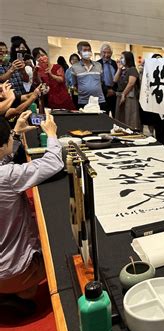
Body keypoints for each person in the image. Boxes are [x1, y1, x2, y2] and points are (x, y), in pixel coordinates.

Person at [0, 111, 63, 315]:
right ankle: (19, 289)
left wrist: (16, 133)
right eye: (9, 136)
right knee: (59, 250)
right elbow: (53, 163)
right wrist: (52, 135)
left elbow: (5, 159)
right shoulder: (8, 176)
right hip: (12, 271)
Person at [70, 41, 106, 110]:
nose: (88, 52)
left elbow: (101, 81)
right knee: (85, 120)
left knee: (100, 120)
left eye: (89, 50)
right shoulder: (74, 67)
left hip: (99, 100)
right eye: (85, 50)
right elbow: (75, 84)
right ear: (79, 53)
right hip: (83, 101)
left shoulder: (98, 65)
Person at [113, 51, 141, 131]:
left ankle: (132, 133)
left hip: (129, 96)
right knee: (121, 117)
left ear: (127, 59)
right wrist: (119, 69)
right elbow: (115, 80)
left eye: (122, 58)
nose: (120, 59)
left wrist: (124, 94)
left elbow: (131, 83)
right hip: (121, 95)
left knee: (130, 117)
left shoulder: (132, 69)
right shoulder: (123, 70)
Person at [97, 43, 118, 117]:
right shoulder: (97, 64)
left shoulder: (114, 63)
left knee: (116, 116)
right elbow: (97, 80)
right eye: (104, 52)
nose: (106, 55)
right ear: (101, 53)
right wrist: (107, 90)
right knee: (104, 116)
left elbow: (117, 78)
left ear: (111, 53)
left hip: (114, 93)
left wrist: (113, 90)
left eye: (108, 52)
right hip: (103, 94)